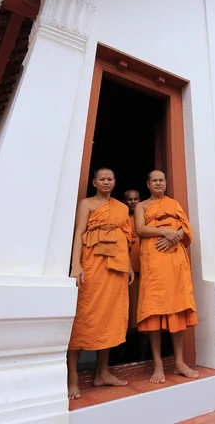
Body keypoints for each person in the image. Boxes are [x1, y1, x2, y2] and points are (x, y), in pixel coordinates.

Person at [67, 167, 134, 400]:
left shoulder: (123, 208)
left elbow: (126, 240)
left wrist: (128, 266)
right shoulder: (87, 204)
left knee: (110, 316)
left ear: (115, 183)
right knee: (84, 315)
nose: (106, 182)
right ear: (94, 182)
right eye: (102, 179)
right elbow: (78, 233)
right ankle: (72, 378)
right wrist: (76, 265)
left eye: (110, 179)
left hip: (115, 268)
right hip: (92, 265)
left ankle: (102, 372)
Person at [135, 170, 199, 384]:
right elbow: (140, 229)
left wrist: (175, 236)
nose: (158, 183)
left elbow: (185, 228)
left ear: (166, 183)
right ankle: (158, 364)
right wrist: (164, 233)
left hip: (174, 261)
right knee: (154, 308)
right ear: (148, 183)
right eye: (154, 180)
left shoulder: (174, 204)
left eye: (161, 180)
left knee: (177, 306)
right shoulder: (141, 206)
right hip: (153, 262)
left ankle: (179, 362)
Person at [124, 189, 141, 331]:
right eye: (130, 199)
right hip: (129, 269)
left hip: (145, 267)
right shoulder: (124, 219)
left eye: (136, 199)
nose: (133, 202)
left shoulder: (146, 218)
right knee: (130, 308)